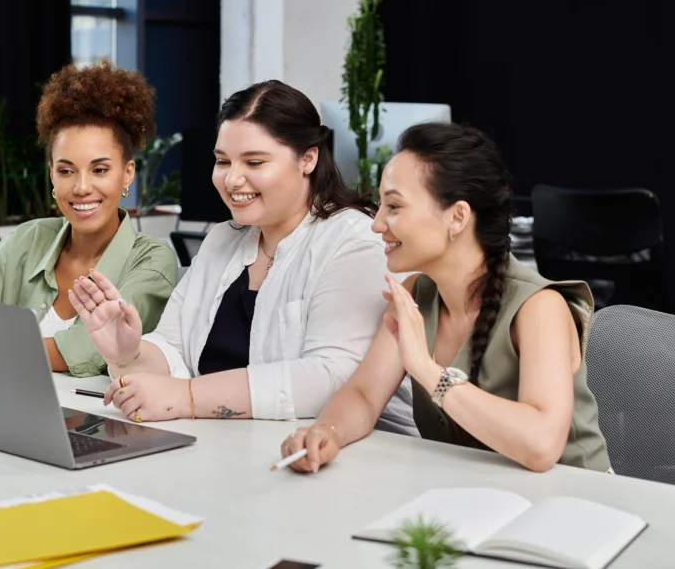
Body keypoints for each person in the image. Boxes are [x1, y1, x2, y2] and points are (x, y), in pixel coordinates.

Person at [280, 122, 612, 473]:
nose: (376, 224)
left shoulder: (540, 308)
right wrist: (324, 433)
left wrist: (425, 368)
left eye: (394, 206)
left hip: (578, 503)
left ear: (457, 217)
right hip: (480, 496)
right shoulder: (414, 296)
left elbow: (541, 447)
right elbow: (364, 395)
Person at [67, 80, 391, 423]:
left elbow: (331, 377)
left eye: (254, 163)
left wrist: (186, 397)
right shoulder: (223, 239)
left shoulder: (354, 242)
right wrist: (127, 353)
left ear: (308, 158)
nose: (233, 179)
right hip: (220, 446)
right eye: (223, 161)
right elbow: (173, 351)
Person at [0, 61, 178, 376]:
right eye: (66, 170)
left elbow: (89, 349)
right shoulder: (30, 239)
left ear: (127, 175)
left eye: (99, 169)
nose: (82, 187)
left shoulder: (152, 261)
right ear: (52, 177)